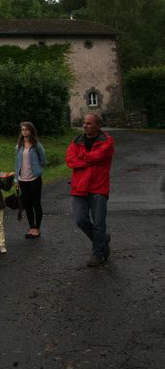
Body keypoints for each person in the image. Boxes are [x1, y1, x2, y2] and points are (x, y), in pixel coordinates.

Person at [66, 114, 115, 267]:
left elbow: (99, 156)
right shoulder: (77, 141)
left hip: (98, 186)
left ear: (98, 126)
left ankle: (98, 253)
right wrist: (87, 160)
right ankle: (101, 239)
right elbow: (70, 160)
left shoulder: (107, 141)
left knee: (99, 222)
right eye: (84, 123)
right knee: (80, 220)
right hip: (79, 186)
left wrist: (82, 159)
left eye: (89, 123)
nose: (85, 126)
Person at [15, 122, 46, 239]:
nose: (24, 132)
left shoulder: (36, 145)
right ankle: (31, 227)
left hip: (34, 179)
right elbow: (17, 163)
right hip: (22, 179)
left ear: (31, 131)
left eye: (27, 130)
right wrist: (16, 178)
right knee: (27, 204)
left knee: (36, 203)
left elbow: (43, 160)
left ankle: (37, 228)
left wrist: (37, 170)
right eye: (23, 130)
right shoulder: (18, 146)